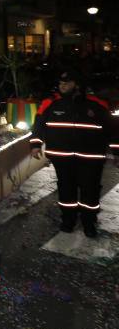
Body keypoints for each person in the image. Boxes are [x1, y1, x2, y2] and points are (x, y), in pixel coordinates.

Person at [30, 71, 118, 237]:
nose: (62, 86)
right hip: (62, 158)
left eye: (67, 83)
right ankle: (67, 221)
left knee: (90, 191)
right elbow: (39, 125)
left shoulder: (96, 104)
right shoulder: (50, 103)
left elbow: (113, 130)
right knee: (66, 191)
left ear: (77, 85)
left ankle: (89, 223)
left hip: (90, 159)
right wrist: (35, 144)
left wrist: (116, 151)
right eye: (61, 83)